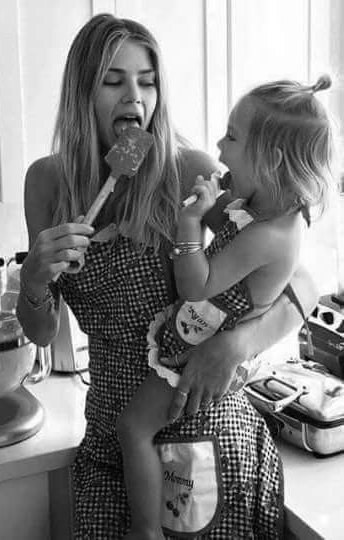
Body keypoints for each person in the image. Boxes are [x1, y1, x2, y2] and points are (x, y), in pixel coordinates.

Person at [16, 13, 320, 539]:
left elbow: (300, 277)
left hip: (202, 432)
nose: (134, 96)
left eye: (147, 81)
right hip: (113, 440)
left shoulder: (189, 172)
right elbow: (42, 333)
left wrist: (239, 344)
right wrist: (34, 281)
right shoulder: (46, 185)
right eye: (113, 81)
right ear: (81, 94)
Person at [116, 75, 335, 540]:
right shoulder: (263, 207)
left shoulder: (269, 232)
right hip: (188, 346)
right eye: (112, 82)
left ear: (270, 159)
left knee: (133, 426)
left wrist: (189, 220)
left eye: (232, 137)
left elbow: (197, 285)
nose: (219, 147)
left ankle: (144, 534)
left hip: (199, 371)